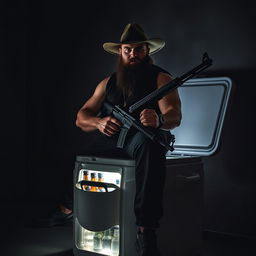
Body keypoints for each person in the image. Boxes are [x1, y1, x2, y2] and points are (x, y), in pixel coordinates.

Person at [35, 23, 182, 256]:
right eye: (127, 49)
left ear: (147, 51)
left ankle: (146, 231)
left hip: (142, 138)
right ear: (120, 52)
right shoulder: (107, 83)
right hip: (113, 141)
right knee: (78, 157)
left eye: (138, 49)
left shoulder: (161, 78)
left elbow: (175, 115)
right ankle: (66, 210)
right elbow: (81, 117)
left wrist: (159, 120)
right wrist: (99, 123)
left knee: (150, 148)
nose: (133, 54)